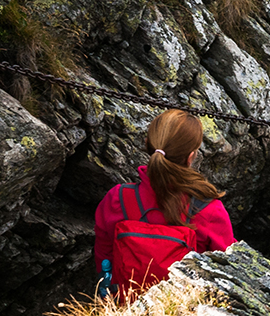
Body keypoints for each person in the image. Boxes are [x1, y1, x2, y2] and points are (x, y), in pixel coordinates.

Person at [93, 109, 235, 294]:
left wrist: (109, 301)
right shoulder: (209, 209)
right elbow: (228, 267)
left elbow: (104, 258)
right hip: (184, 314)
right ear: (191, 156)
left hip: (125, 306)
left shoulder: (117, 198)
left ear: (147, 144)